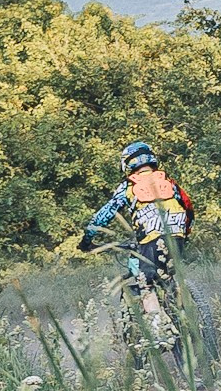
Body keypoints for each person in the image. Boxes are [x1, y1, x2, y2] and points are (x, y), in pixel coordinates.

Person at [79, 141, 196, 335]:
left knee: (145, 284)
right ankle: (186, 317)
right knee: (167, 276)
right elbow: (188, 207)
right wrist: (185, 234)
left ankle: (159, 333)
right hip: (177, 236)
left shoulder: (130, 185)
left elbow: (104, 215)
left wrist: (87, 240)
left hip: (152, 240)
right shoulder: (168, 181)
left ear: (127, 164)